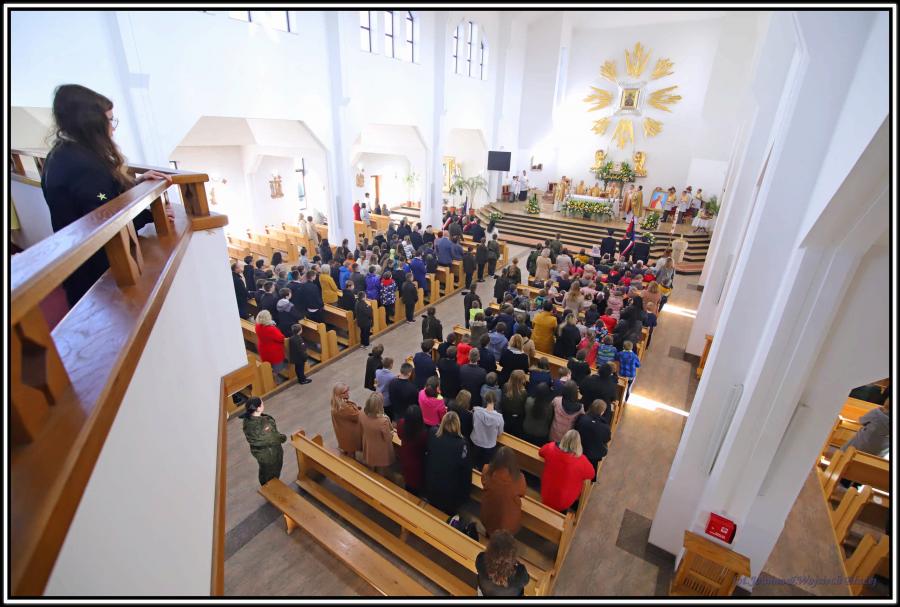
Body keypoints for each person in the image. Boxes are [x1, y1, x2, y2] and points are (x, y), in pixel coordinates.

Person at [40, 84, 175, 307]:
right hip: (96, 271)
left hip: (80, 261)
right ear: (91, 124)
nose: (113, 128)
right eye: (110, 120)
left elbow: (100, 196)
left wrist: (136, 182)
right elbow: (105, 217)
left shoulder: (62, 154)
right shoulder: (82, 166)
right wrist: (151, 215)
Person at [425, 411, 471, 516]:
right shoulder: (462, 444)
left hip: (432, 484)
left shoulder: (433, 433)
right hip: (450, 491)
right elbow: (465, 469)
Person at [539, 430, 596, 512]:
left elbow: (541, 451)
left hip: (546, 493)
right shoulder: (582, 460)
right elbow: (592, 474)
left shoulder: (551, 448)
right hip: (564, 502)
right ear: (578, 444)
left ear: (563, 439)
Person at [480, 447, 527, 537]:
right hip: (508, 522)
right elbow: (522, 493)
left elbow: (483, 482)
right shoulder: (519, 478)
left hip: (488, 516)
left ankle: (489, 534)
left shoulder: (487, 470)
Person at [241, 397, 287, 486]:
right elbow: (272, 438)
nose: (263, 405)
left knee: (264, 470)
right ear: (258, 408)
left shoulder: (248, 419)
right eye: (262, 404)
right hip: (270, 453)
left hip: (260, 452)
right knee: (272, 471)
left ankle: (267, 485)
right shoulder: (262, 425)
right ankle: (270, 487)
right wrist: (283, 438)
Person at [475, 530, 530, 597]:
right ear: (512, 555)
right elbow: (526, 580)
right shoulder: (519, 574)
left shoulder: (481, 561)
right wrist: (517, 564)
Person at [396, 405, 428, 495]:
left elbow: (399, 435)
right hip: (418, 462)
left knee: (408, 479)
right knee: (416, 483)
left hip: (405, 456)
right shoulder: (423, 434)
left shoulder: (401, 424)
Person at [359, 392, 394, 473]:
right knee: (381, 470)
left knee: (370, 466)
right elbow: (388, 438)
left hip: (368, 444)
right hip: (380, 449)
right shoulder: (383, 421)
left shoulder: (361, 414)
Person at [575, 399, 612, 472]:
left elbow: (576, 429)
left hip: (579, 449)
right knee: (592, 469)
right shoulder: (605, 427)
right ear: (602, 412)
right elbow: (607, 439)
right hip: (594, 455)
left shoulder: (582, 418)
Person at [472, 391, 505, 469]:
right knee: (485, 466)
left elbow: (474, 425)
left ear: (485, 400)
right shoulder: (499, 418)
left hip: (477, 442)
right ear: (495, 401)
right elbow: (500, 433)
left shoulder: (477, 412)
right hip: (489, 445)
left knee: (475, 463)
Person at [330, 383, 362, 456]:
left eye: (348, 390)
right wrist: (358, 410)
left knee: (346, 449)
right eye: (345, 392)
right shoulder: (344, 408)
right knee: (351, 454)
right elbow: (357, 416)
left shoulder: (335, 403)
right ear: (339, 394)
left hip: (342, 432)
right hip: (349, 435)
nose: (348, 392)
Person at [255, 310, 287, 381]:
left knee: (268, 366)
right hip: (273, 351)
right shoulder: (271, 329)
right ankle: (274, 380)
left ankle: (271, 377)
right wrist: (274, 327)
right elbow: (281, 338)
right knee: (276, 368)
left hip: (263, 348)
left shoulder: (257, 326)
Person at [501, 369, 528, 437]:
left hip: (506, 414)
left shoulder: (505, 386)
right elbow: (523, 406)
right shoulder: (523, 392)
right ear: (521, 380)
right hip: (516, 416)